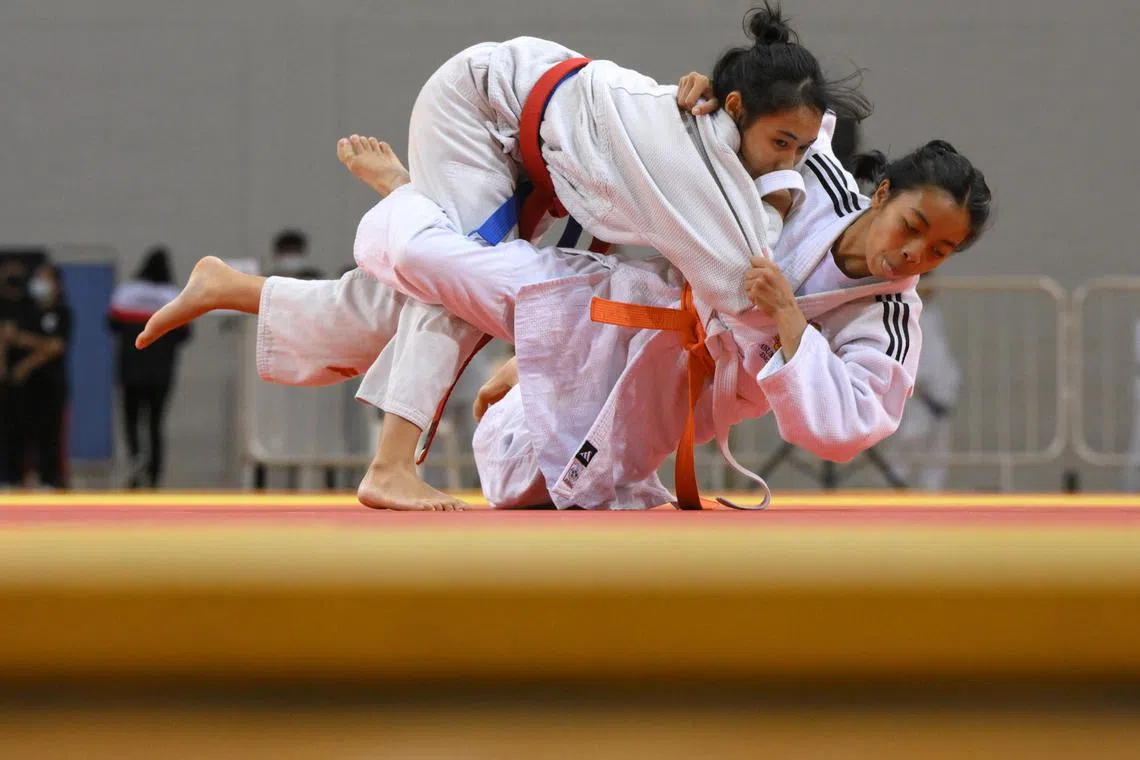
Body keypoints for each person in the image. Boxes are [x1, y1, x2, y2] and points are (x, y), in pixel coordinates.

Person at [223, 4, 874, 510]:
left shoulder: (718, 137)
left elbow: (765, 205)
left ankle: (245, 285)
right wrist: (797, 323)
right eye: (781, 142)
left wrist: (524, 357)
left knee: (490, 288)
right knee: (457, 290)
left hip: (553, 175)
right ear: (735, 107)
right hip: (482, 111)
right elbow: (741, 277)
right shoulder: (694, 155)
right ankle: (391, 463)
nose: (786, 160)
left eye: (798, 150)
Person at [137, 127, 991, 510]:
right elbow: (725, 132)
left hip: (679, 391)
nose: (915, 257)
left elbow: (847, 425)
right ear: (882, 194)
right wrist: (701, 95)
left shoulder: (888, 321)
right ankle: (409, 204)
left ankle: (261, 281)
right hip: (614, 295)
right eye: (914, 227)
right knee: (437, 269)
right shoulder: (810, 176)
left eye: (941, 253)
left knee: (523, 486)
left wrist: (791, 327)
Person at [107, 247, 192, 488]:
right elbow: (184, 336)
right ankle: (154, 477)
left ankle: (135, 467)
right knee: (155, 424)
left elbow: (111, 325)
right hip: (161, 373)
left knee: (131, 422)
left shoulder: (126, 293)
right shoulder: (173, 297)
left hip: (130, 370)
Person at [4, 263, 72, 489]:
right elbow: (10, 338)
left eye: (46, 279)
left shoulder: (63, 312)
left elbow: (56, 346)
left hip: (51, 383)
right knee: (19, 431)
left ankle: (49, 479)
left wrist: (27, 360)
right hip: (24, 386)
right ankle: (14, 478)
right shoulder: (25, 310)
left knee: (49, 432)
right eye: (38, 278)